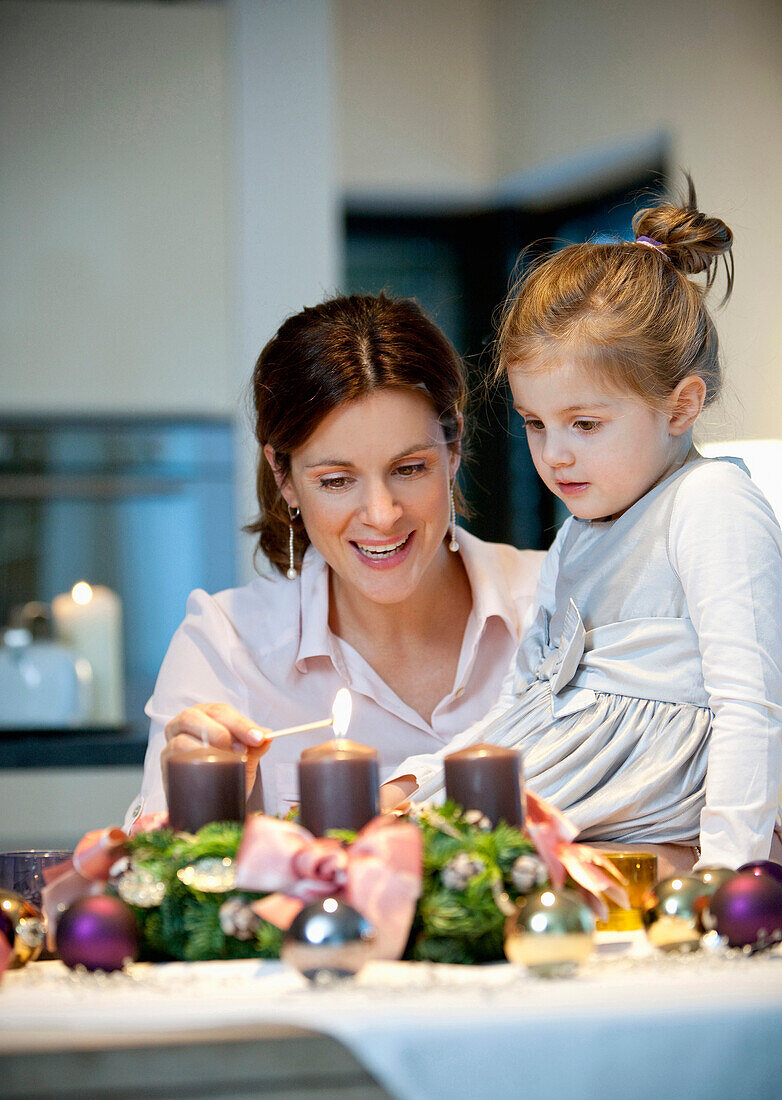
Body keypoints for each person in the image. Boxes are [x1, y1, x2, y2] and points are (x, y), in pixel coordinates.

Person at [383, 181, 782, 874]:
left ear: (682, 405)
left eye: (585, 424)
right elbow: (522, 704)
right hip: (566, 781)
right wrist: (420, 778)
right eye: (535, 423)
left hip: (644, 812)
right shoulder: (578, 533)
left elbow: (750, 707)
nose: (555, 453)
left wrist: (725, 879)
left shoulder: (709, 503)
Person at [125, 294, 544, 826]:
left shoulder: (559, 606)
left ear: (454, 447)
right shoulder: (227, 647)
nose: (382, 514)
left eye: (409, 468)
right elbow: (152, 886)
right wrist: (202, 809)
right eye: (337, 481)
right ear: (284, 476)